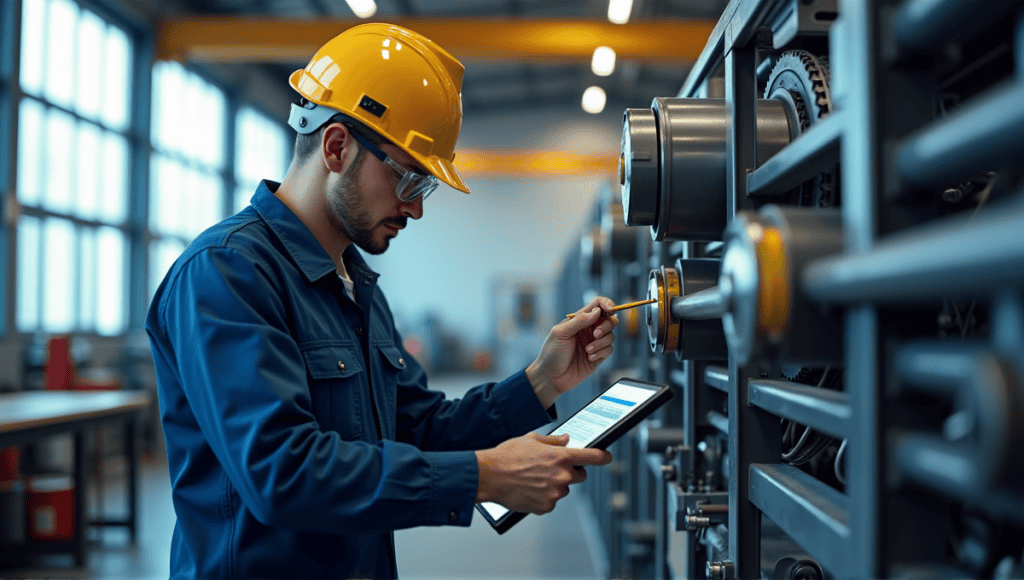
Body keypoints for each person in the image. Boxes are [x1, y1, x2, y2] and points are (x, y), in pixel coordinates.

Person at [146, 23, 620, 580]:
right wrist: (483, 476)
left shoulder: (355, 285)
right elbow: (282, 472)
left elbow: (419, 426)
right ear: (337, 146)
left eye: (424, 188)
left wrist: (542, 380)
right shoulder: (227, 274)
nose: (414, 209)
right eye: (408, 179)